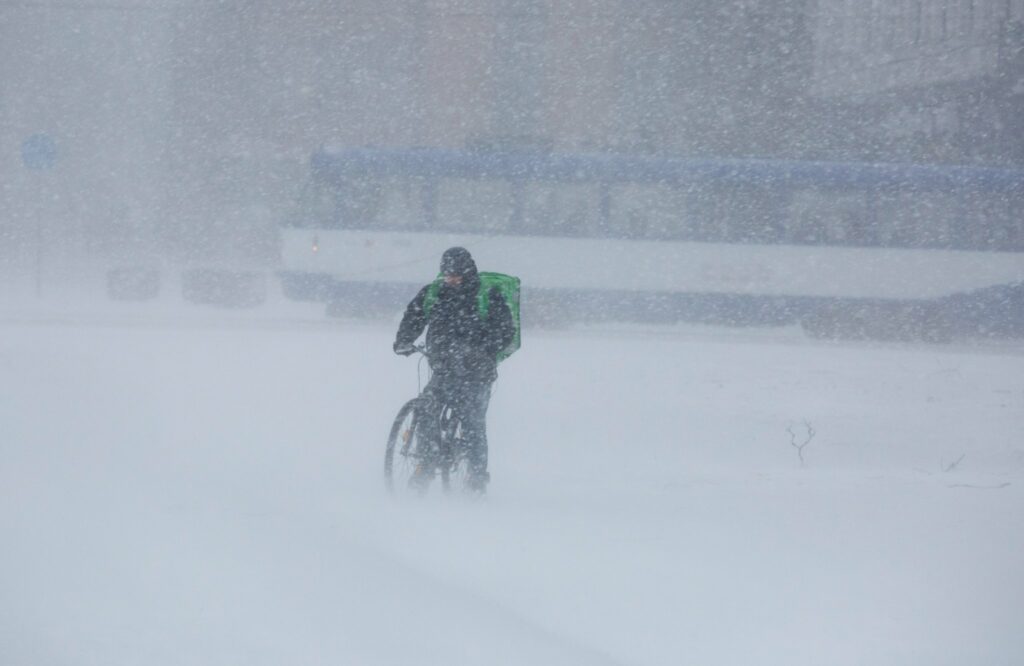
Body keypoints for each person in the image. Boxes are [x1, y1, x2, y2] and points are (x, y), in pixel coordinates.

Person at [393, 247, 515, 493]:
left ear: (467, 272)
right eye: (447, 274)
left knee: (472, 422)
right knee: (426, 407)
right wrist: (404, 340)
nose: (451, 279)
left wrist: (480, 350)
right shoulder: (434, 293)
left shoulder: (488, 295)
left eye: (456, 275)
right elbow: (414, 317)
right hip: (444, 368)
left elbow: (505, 331)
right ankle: (426, 464)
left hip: (477, 374)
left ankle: (477, 479)